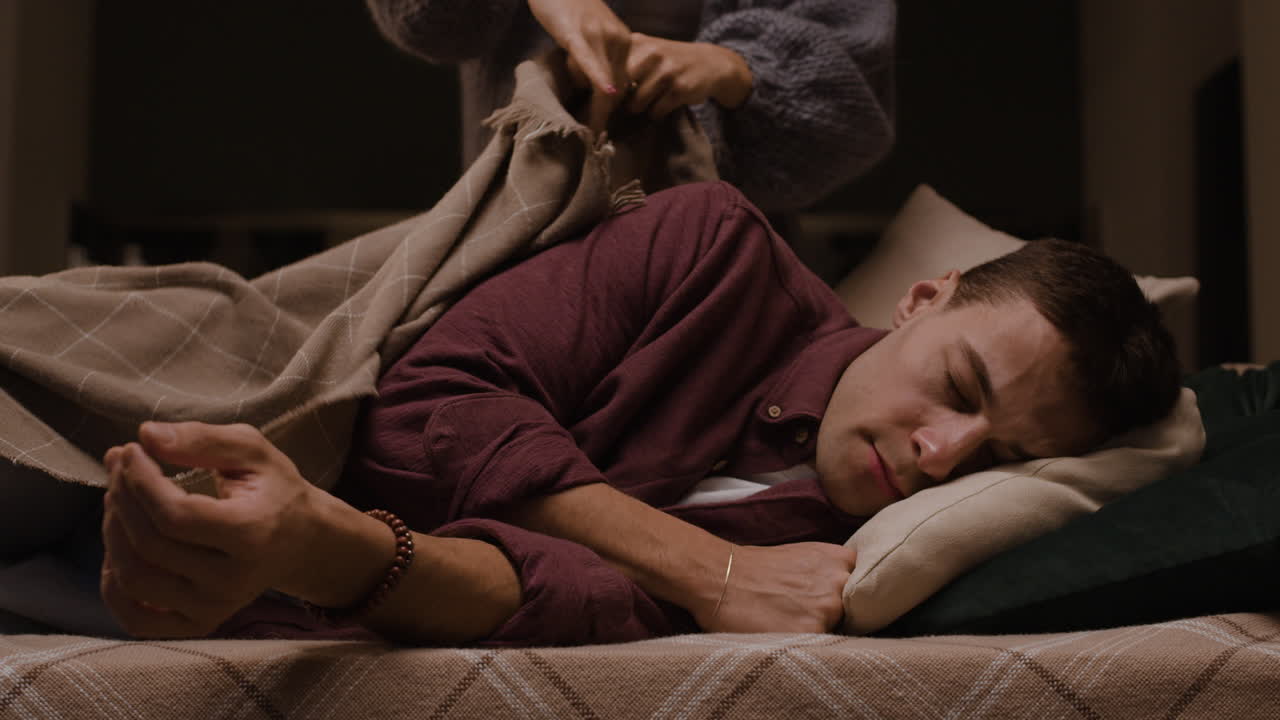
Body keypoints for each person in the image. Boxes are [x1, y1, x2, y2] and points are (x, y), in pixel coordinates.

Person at [98, 182, 1181, 646]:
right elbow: (426, 403)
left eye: (1000, 458)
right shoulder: (713, 250)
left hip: (247, 575)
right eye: (957, 391)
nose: (943, 455)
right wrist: (704, 568)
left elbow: (567, 600)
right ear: (918, 296)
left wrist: (323, 550)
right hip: (192, 391)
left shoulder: (841, 562)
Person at [363, 0, 896, 214]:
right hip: (517, 235)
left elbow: (853, 111)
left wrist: (735, 69)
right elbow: (425, 20)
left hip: (717, 277)